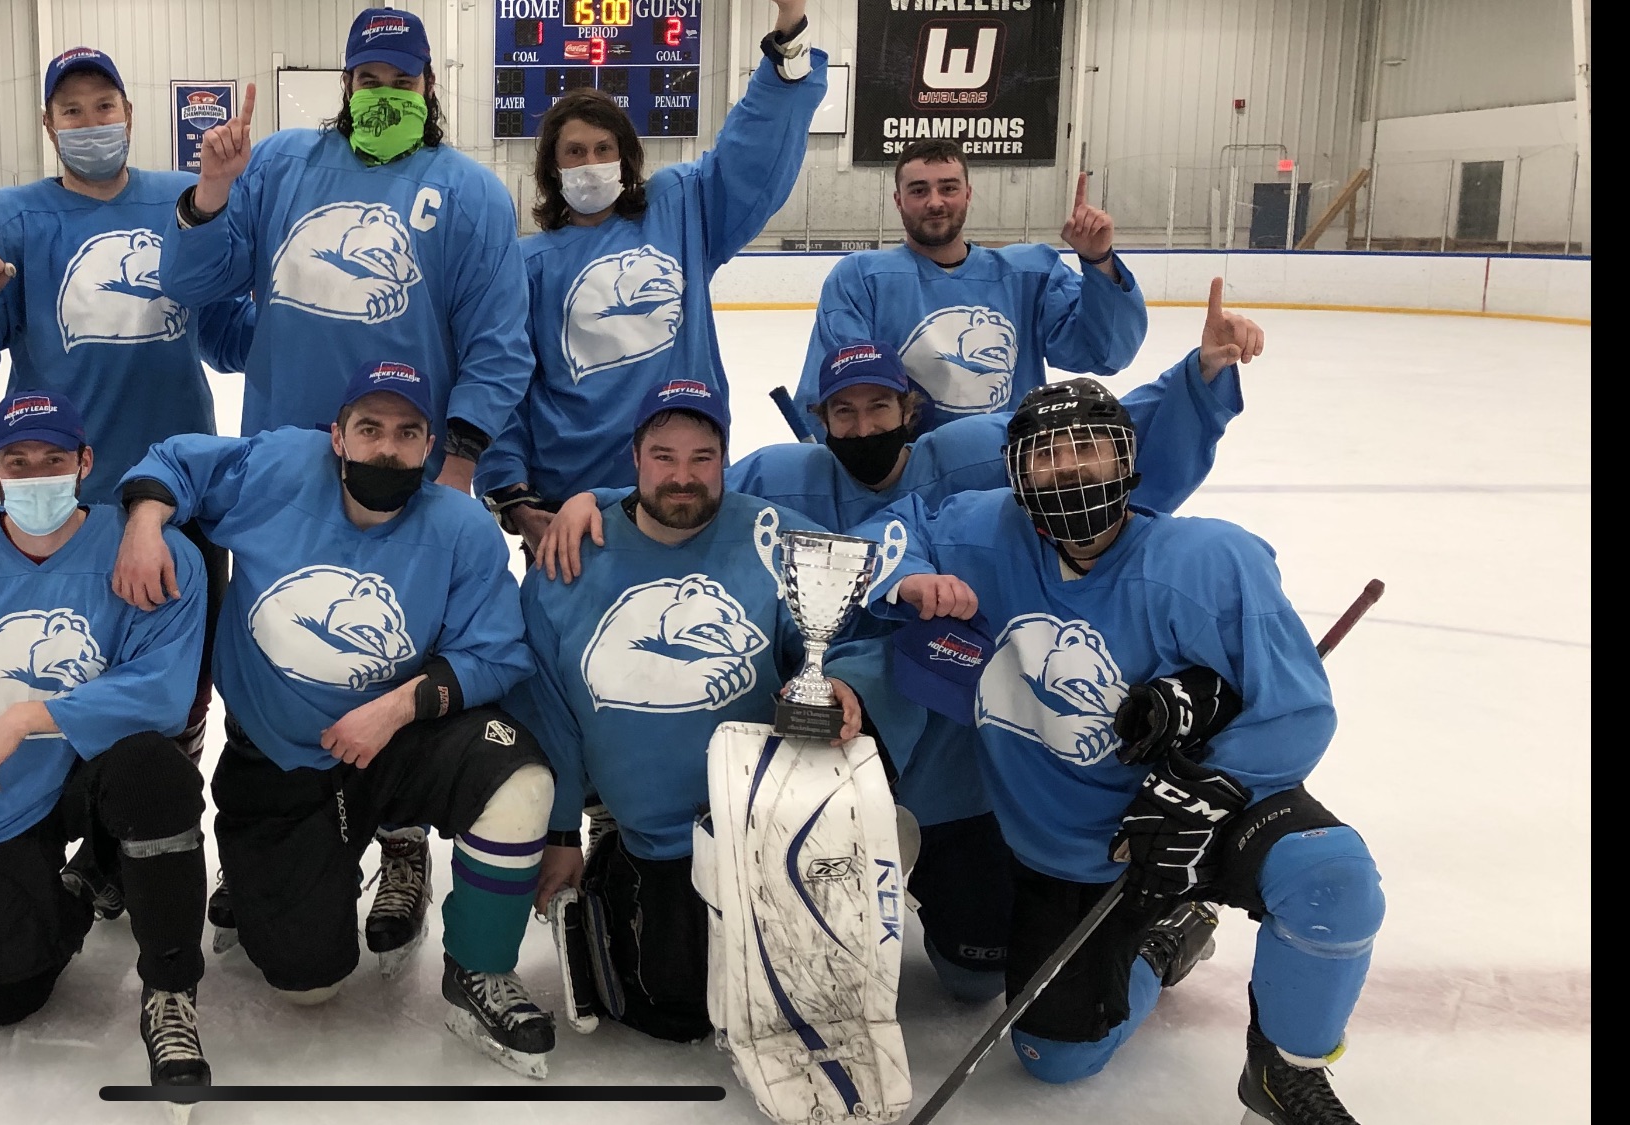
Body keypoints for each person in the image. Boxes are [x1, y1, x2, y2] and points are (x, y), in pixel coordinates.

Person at [536, 284, 1265, 1000]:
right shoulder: (784, 476)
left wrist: (1197, 380)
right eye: (843, 412)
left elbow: (1084, 453)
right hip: (837, 742)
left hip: (956, 752)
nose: (862, 427)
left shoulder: (973, 453)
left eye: (878, 406)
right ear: (820, 419)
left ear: (910, 408)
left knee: (980, 973)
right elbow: (683, 491)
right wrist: (593, 500)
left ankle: (1153, 920)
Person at [849, 376, 1382, 1124]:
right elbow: (881, 534)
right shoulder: (980, 534)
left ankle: (1286, 1072)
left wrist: (1211, 787)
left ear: (1129, 460)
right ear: (1015, 475)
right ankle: (1166, 940)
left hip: (1203, 809)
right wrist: (909, 580)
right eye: (1046, 455)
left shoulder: (1210, 559)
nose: (1069, 468)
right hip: (1070, 851)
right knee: (1054, 1055)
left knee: (1331, 878)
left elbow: (1296, 710)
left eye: (1089, 448)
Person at [110, 361, 560, 1078]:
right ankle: (298, 865)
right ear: (338, 437)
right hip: (278, 757)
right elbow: (174, 461)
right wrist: (144, 522)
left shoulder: (462, 528)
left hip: (393, 741)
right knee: (307, 983)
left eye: (407, 433)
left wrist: (396, 707)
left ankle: (477, 965)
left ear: (430, 446)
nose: (388, 447)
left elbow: (498, 654)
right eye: (370, 429)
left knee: (519, 777)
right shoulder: (279, 468)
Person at [0, 44, 255, 918]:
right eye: (72, 110)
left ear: (130, 114)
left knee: (173, 691)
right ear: (48, 124)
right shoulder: (8, 218)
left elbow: (227, 339)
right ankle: (42, 833)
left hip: (177, 499)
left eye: (105, 106)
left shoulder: (183, 199)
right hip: (58, 502)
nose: (91, 122)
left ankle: (133, 847)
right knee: (64, 667)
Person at [505, 378, 862, 1042]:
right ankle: (610, 860)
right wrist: (558, 836)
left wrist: (845, 681)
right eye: (663, 456)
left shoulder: (772, 535)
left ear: (725, 459)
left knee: (794, 994)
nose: (683, 476)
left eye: (703, 457)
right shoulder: (569, 557)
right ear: (635, 459)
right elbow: (549, 712)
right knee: (673, 1011)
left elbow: (849, 624)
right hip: (657, 831)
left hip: (763, 821)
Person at [0, 392, 214, 1094]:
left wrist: (31, 715)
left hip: (96, 773)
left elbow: (161, 691)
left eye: (54, 459)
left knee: (156, 772)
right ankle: (79, 884)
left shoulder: (150, 552)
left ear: (86, 462)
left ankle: (170, 987)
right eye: (18, 462)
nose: (37, 475)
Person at [480, 0, 827, 550]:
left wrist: (788, 34)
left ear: (625, 158)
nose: (590, 162)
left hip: (685, 492)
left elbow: (748, 155)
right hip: (572, 509)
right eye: (574, 152)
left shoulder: (678, 210)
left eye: (604, 149)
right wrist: (513, 495)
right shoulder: (527, 265)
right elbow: (505, 386)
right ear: (551, 166)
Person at [162, 7, 531, 493]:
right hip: (280, 455)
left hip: (406, 462)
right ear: (347, 84)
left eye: (402, 82)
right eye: (369, 80)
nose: (386, 94)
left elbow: (497, 345)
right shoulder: (280, 165)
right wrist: (211, 190)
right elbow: (191, 284)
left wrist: (460, 465)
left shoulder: (473, 195)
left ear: (429, 85)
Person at [793, 141, 1146, 427]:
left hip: (1008, 471)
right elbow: (835, 395)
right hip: (906, 475)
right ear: (898, 201)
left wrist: (1099, 262)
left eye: (948, 188)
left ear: (968, 194)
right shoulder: (861, 280)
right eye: (918, 190)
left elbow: (1106, 353)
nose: (935, 202)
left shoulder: (1029, 275)